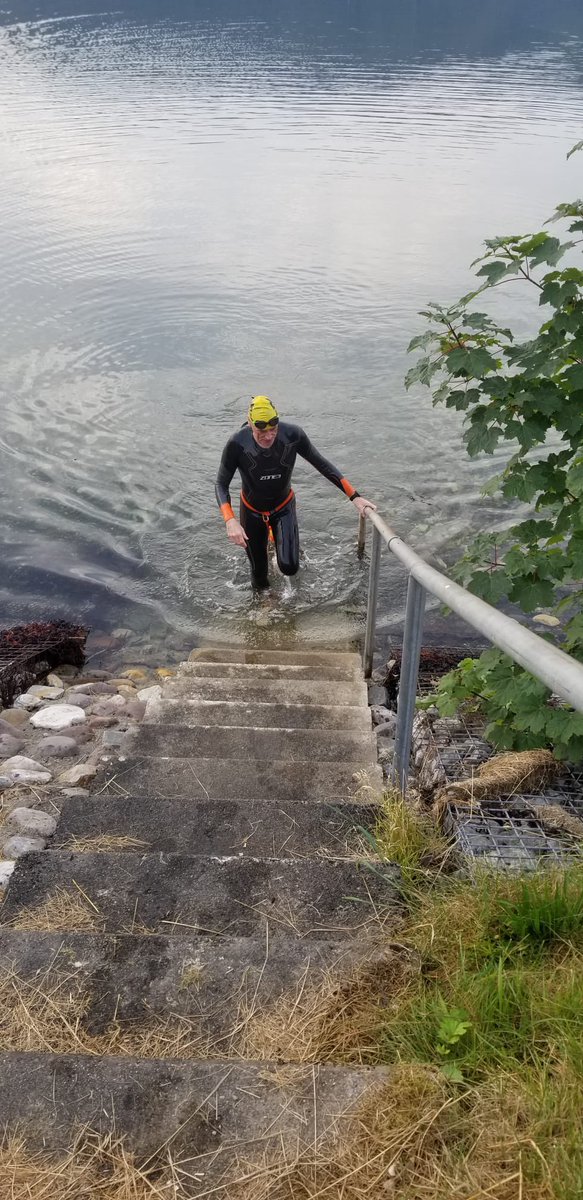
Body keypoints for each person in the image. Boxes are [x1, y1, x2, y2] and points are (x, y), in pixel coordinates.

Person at [215, 395, 376, 589]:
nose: (268, 436)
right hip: (252, 511)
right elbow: (221, 484)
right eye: (261, 431)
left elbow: (322, 464)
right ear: (250, 423)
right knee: (258, 572)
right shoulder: (237, 443)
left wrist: (355, 497)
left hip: (283, 507)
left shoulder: (292, 435)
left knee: (289, 567)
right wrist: (230, 520)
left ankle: (275, 539)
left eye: (273, 429)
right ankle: (266, 606)